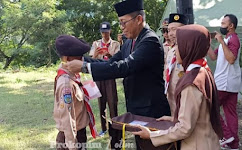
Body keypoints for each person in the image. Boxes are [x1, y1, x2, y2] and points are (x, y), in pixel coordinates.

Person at [64, 0, 170, 149]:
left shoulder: (149, 40)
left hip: (151, 111)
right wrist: (81, 59)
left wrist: (85, 67)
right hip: (136, 108)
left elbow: (124, 67)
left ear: (139, 19)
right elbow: (110, 63)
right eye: (120, 23)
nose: (121, 27)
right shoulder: (130, 42)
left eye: (123, 22)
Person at [132, 24, 223, 150]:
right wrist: (173, 119)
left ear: (189, 47)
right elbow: (199, 115)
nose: (175, 50)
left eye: (179, 45)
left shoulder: (191, 83)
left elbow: (185, 128)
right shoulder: (203, 71)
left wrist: (152, 135)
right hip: (207, 140)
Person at [54, 35, 97, 150]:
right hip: (71, 137)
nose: (82, 61)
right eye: (79, 58)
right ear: (67, 59)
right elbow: (66, 116)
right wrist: (72, 143)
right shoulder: (66, 84)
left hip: (79, 132)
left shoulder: (73, 76)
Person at [207, 14, 241, 150]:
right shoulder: (227, 39)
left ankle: (226, 136)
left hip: (225, 83)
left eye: (223, 23)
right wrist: (206, 44)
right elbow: (213, 57)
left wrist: (221, 41)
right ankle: (233, 144)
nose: (221, 26)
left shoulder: (233, 39)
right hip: (229, 83)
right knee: (230, 113)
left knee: (210, 108)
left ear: (231, 26)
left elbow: (231, 59)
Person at [90, 21, 120, 136]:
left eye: (106, 32)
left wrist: (109, 55)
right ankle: (104, 128)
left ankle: (115, 126)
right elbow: (92, 59)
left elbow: (118, 59)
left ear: (110, 31)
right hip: (99, 75)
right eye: (102, 32)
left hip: (110, 75)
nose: (104, 35)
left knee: (112, 102)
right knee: (101, 102)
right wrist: (95, 54)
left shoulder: (115, 44)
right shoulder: (96, 44)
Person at [164, 13, 188, 117]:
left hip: (186, 100)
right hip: (172, 99)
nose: (171, 34)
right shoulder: (171, 51)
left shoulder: (190, 52)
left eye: (175, 29)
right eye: (169, 30)